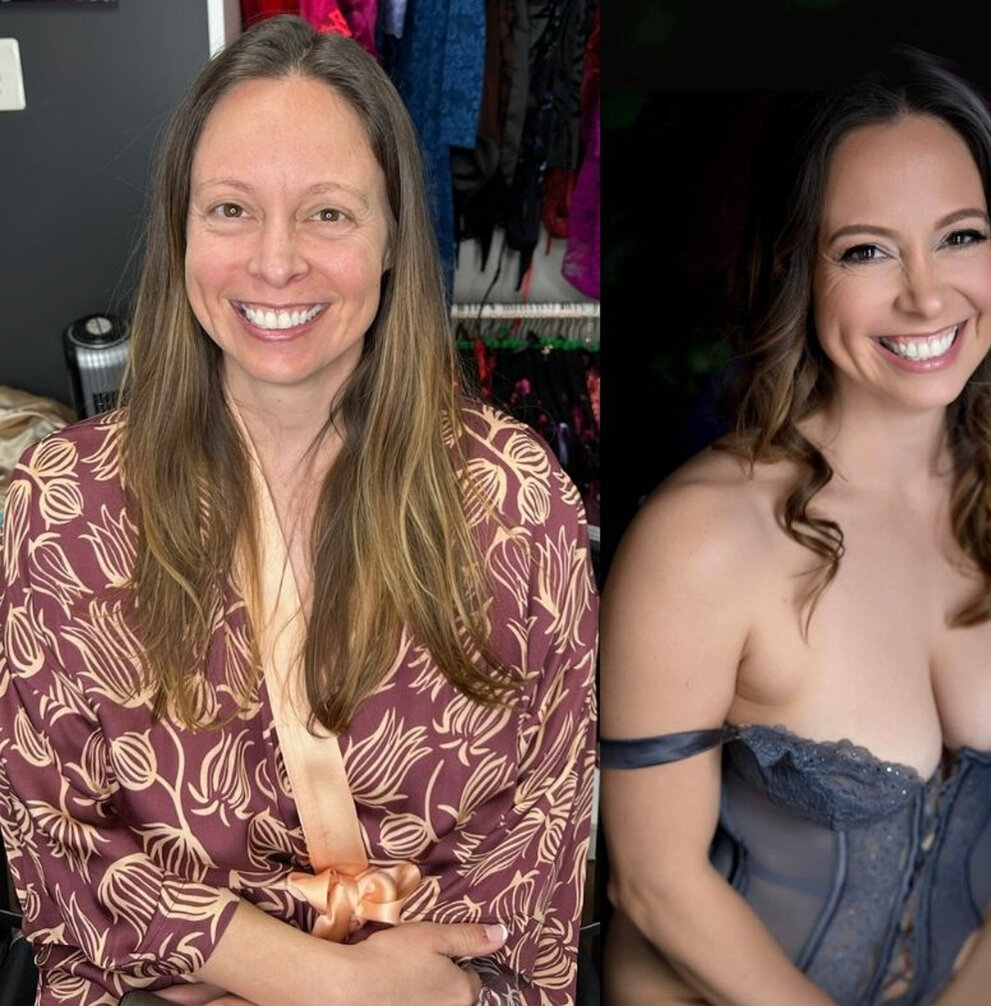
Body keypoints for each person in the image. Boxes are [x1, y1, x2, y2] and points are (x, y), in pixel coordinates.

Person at [0, 16, 596, 1006]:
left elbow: (526, 896)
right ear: (181, 227)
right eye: (231, 209)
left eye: (328, 214)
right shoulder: (59, 509)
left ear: (395, 233)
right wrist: (330, 982)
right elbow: (57, 854)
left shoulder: (519, 505)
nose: (275, 264)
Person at [599, 51, 991, 1005]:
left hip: (970, 943)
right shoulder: (700, 543)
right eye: (866, 250)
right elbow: (654, 885)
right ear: (796, 271)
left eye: (959, 237)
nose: (928, 298)